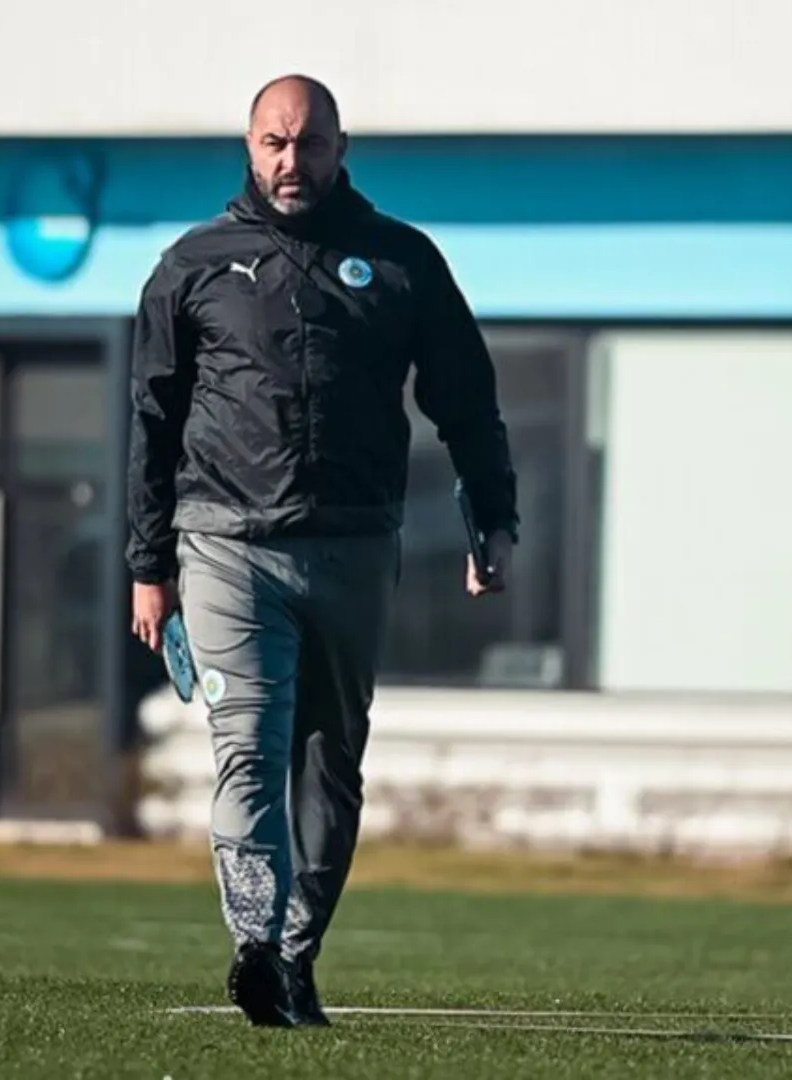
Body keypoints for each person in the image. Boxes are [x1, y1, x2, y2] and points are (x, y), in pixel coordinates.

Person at [124, 73, 518, 1028]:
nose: (289, 162)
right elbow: (151, 416)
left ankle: (297, 958)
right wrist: (149, 567)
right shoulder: (193, 265)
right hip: (224, 545)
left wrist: (491, 517)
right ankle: (254, 947)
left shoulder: (400, 261)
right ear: (248, 148)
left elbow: (464, 393)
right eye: (272, 143)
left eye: (307, 143)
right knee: (246, 750)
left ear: (342, 149)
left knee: (330, 762)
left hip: (351, 546)